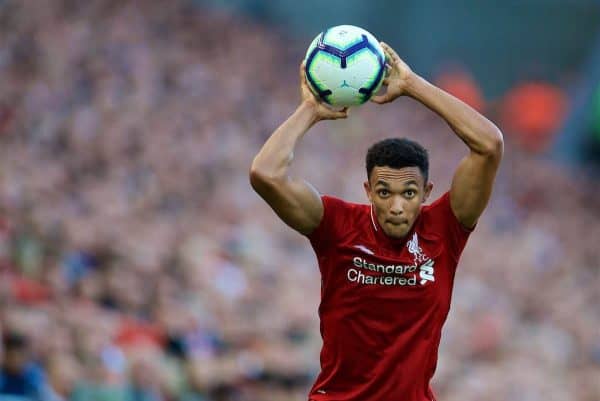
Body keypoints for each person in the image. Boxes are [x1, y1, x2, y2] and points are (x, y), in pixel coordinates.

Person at [249, 42, 503, 401]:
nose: (397, 206)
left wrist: (413, 85)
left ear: (427, 192)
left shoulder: (445, 228)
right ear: (368, 190)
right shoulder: (337, 225)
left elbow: (489, 145)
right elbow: (265, 174)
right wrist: (309, 110)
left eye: (409, 193)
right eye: (385, 193)